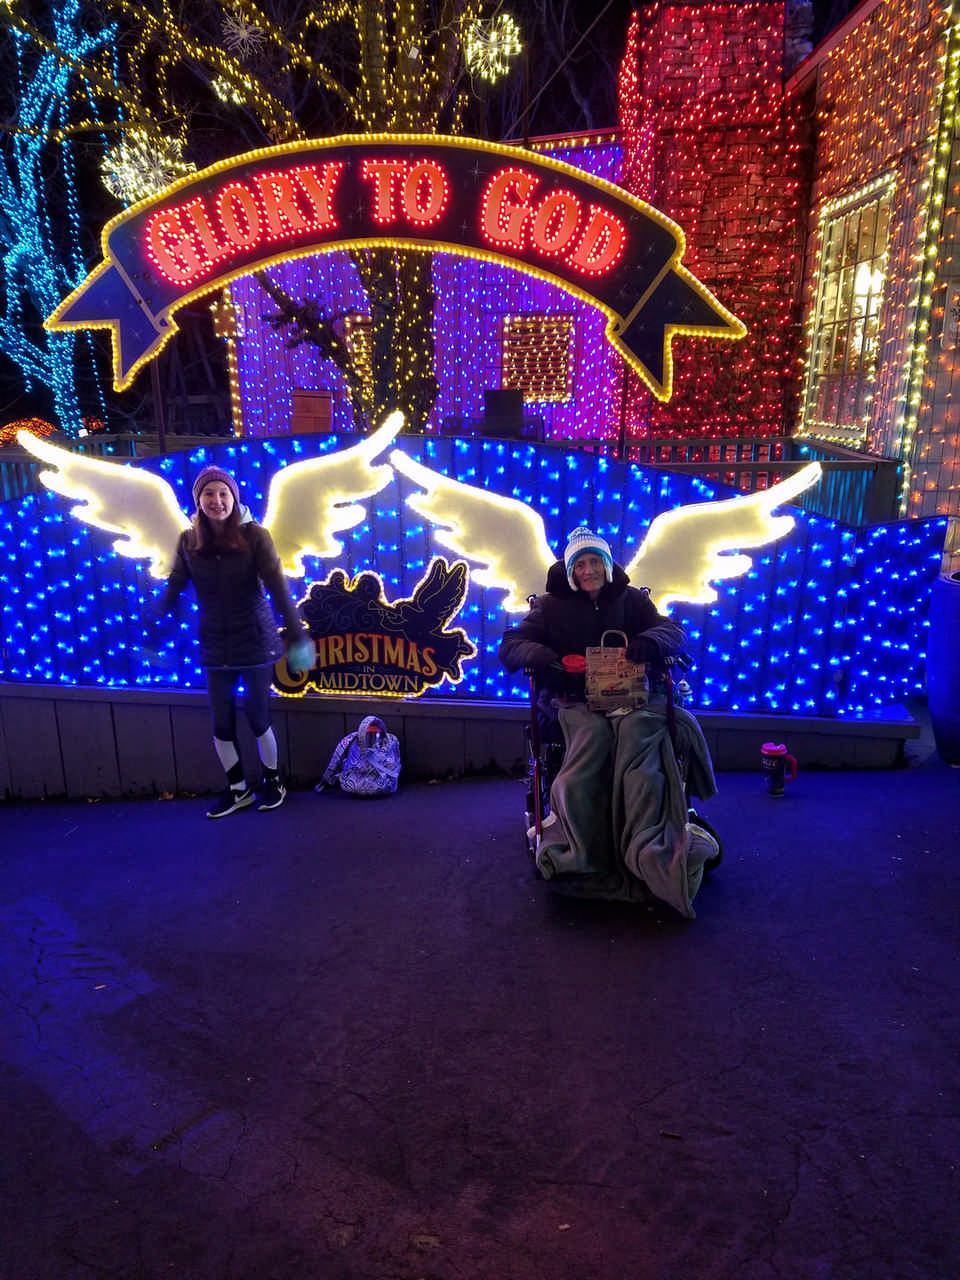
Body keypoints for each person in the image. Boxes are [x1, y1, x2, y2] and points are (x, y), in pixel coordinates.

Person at [499, 526, 718, 915]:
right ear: (569, 570)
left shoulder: (632, 601)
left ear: (607, 563)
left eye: (595, 561)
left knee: (639, 738)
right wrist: (548, 661)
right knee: (594, 739)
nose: (588, 570)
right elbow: (513, 645)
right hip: (574, 697)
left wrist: (649, 642)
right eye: (579, 564)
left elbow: (674, 631)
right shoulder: (549, 607)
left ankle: (645, 847)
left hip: (631, 697)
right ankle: (584, 850)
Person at [157, 466, 309, 818]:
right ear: (198, 501)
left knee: (258, 718)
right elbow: (177, 584)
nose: (217, 500)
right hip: (214, 645)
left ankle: (273, 782)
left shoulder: (256, 536)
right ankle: (238, 790)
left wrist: (297, 635)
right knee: (221, 724)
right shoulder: (188, 541)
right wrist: (156, 618)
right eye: (209, 494)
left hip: (254, 641)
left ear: (234, 499)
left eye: (223, 494)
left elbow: (276, 585)